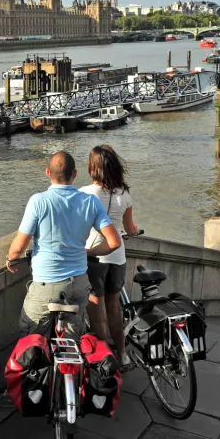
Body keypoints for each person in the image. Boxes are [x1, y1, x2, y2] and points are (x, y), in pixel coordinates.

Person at [7, 150, 122, 339]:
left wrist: (10, 259)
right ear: (75, 174)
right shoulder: (90, 201)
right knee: (71, 342)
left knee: (32, 341)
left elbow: (18, 248)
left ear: (47, 173)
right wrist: (87, 251)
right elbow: (114, 242)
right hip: (78, 283)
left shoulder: (38, 201)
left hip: (46, 283)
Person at [81, 145, 140, 369]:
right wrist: (134, 231)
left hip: (94, 256)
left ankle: (103, 358)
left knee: (97, 310)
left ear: (93, 168)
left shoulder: (86, 193)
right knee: (114, 307)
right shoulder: (124, 194)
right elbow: (130, 227)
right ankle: (123, 354)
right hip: (117, 256)